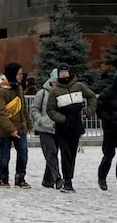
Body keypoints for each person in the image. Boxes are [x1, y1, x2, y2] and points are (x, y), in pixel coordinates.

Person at [46, 63, 98, 193]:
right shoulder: (55, 92)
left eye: (65, 71)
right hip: (62, 128)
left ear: (70, 72)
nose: (64, 74)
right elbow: (50, 110)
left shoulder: (79, 86)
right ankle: (67, 181)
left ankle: (69, 179)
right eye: (61, 72)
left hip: (76, 126)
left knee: (72, 154)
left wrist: (87, 111)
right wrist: (62, 119)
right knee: (65, 153)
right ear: (58, 74)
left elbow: (92, 97)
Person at [0, 62, 33, 189]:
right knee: (5, 155)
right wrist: (11, 130)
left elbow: (23, 108)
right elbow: (0, 113)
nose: (22, 76)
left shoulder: (19, 88)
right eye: (19, 74)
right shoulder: (0, 91)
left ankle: (20, 178)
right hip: (5, 130)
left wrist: (28, 123)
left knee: (23, 153)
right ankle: (3, 178)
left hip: (20, 128)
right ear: (12, 74)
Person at [29, 69, 61, 190]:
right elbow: (34, 108)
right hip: (44, 128)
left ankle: (47, 181)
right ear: (51, 81)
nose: (56, 83)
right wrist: (40, 120)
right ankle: (57, 178)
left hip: (58, 127)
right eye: (55, 81)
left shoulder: (63, 92)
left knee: (52, 154)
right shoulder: (42, 93)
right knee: (51, 152)